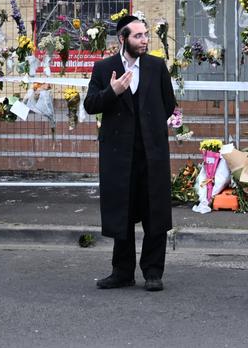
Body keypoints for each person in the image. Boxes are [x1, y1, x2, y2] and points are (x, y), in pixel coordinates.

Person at [83, 15, 176, 292]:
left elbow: (168, 104)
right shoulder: (104, 68)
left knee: (154, 213)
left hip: (152, 153)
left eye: (146, 35)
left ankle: (153, 272)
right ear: (123, 39)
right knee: (121, 213)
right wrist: (112, 91)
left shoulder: (156, 66)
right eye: (138, 36)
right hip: (118, 154)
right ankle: (122, 272)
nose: (145, 40)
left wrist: (150, 129)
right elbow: (90, 105)